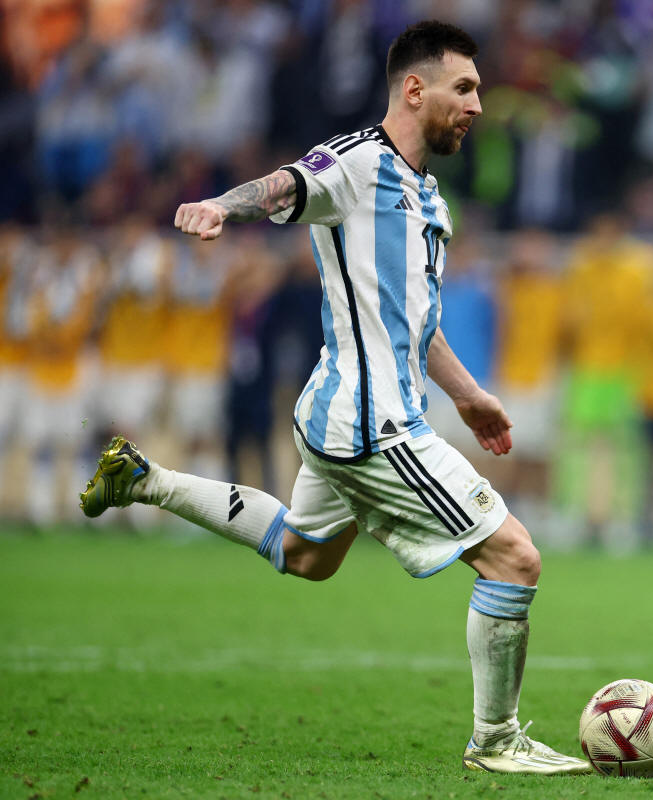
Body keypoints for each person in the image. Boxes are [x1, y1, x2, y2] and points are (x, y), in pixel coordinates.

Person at [78, 21, 590, 776]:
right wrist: (221, 205)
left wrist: (470, 395)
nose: (478, 106)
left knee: (306, 555)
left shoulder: (428, 197)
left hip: (339, 413)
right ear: (414, 90)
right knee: (514, 558)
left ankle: (144, 479)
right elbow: (285, 183)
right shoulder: (357, 162)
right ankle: (496, 739)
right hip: (372, 425)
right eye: (464, 88)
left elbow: (414, 321)